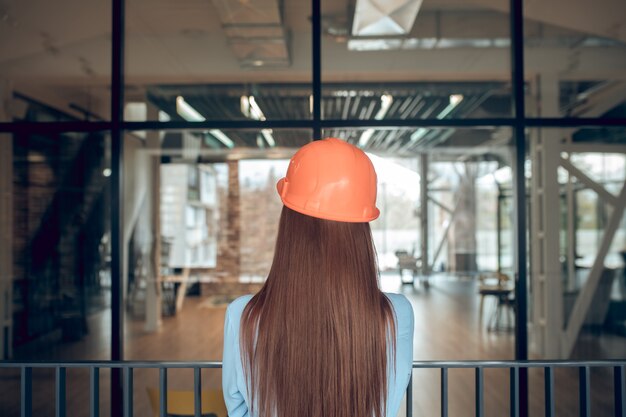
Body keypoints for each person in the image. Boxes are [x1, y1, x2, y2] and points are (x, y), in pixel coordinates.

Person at [222, 138, 414, 417]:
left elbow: (238, 409)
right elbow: (390, 400)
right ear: (361, 231)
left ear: (290, 225)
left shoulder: (243, 316)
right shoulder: (397, 315)